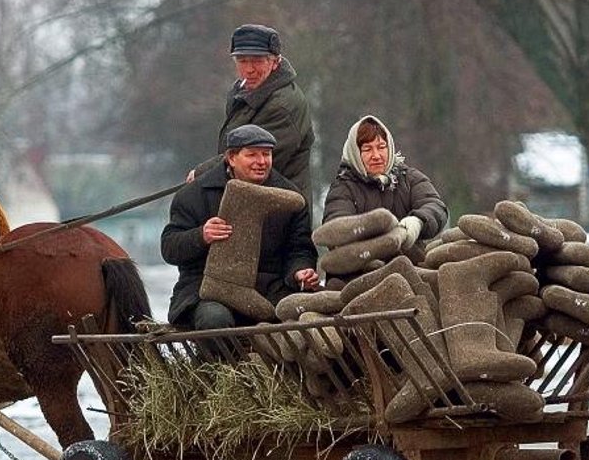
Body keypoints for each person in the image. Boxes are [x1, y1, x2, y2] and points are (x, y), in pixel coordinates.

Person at [163, 124, 319, 330]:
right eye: (252, 155)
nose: (261, 162)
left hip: (270, 289)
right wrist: (201, 235)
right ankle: (221, 362)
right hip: (205, 290)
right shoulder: (194, 194)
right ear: (231, 158)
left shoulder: (289, 197)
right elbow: (169, 247)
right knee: (214, 318)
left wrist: (300, 272)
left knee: (311, 316)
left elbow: (300, 248)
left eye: (266, 154)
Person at [189, 24, 315, 211]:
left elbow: (252, 161)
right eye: (242, 60)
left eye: (257, 61)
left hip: (280, 211)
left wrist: (202, 174)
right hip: (251, 202)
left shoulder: (283, 106)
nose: (249, 69)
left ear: (275, 62)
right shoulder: (244, 92)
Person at [323, 114, 448, 254]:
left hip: (410, 267)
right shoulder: (343, 188)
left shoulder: (409, 178)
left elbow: (436, 207)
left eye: (381, 147)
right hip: (361, 270)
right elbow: (335, 226)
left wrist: (417, 222)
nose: (376, 155)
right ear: (355, 153)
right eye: (367, 149)